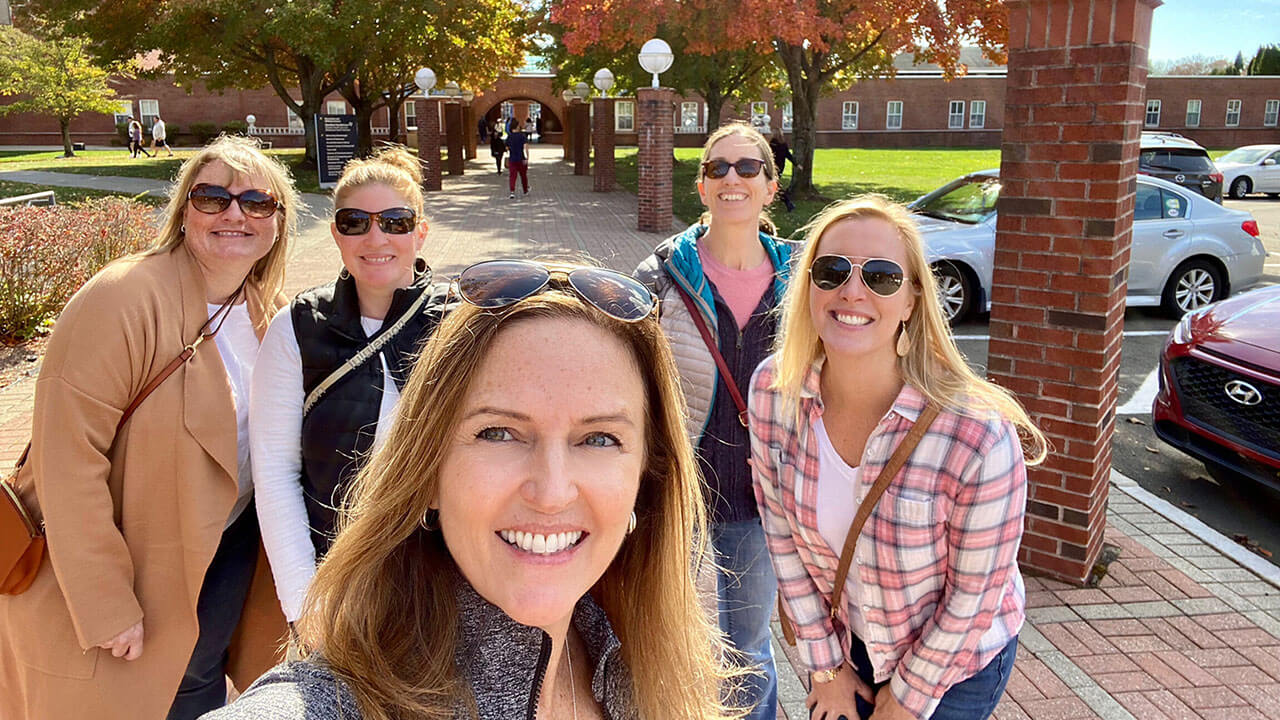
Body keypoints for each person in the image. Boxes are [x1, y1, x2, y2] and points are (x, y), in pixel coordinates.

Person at [207, 259, 748, 720]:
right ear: (429, 472)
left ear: (643, 482)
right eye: (498, 432)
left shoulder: (654, 673)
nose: (552, 490)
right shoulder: (339, 699)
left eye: (600, 439)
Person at [0, 134, 299, 720]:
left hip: (220, 555)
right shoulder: (123, 298)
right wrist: (105, 601)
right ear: (184, 211)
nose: (234, 213)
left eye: (256, 202)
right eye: (212, 197)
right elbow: (67, 462)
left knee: (195, 692)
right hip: (127, 567)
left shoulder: (266, 309)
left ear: (277, 222)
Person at [748, 195, 1048, 720]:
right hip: (849, 644)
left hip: (955, 662)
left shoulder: (976, 432)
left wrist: (909, 697)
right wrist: (825, 666)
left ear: (911, 300)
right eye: (832, 270)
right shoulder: (774, 390)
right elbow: (782, 539)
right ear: (808, 286)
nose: (852, 291)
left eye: (881, 276)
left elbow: (975, 595)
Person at [250, 146, 448, 625]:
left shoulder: (458, 324)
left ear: (420, 233)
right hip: (337, 575)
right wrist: (305, 602)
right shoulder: (296, 327)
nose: (375, 236)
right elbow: (276, 474)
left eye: (395, 221)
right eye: (356, 221)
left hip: (444, 577)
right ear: (337, 233)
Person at [633, 122, 792, 720]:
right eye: (719, 168)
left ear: (769, 186)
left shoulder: (799, 280)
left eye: (748, 168)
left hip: (761, 504)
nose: (733, 179)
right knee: (689, 648)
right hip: (682, 503)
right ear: (701, 187)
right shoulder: (663, 276)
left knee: (750, 651)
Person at [768, 135, 796, 212]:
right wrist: (796, 164)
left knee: (776, 185)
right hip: (780, 167)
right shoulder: (783, 144)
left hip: (773, 168)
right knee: (774, 184)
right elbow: (788, 155)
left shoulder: (772, 144)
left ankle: (788, 203)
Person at [505, 119, 529, 199]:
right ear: (517, 126)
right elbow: (525, 147)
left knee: (512, 176)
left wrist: (511, 150)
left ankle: (512, 191)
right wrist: (527, 157)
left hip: (512, 159)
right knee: (523, 175)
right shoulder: (522, 136)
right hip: (521, 158)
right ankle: (525, 190)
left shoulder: (509, 137)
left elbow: (507, 148)